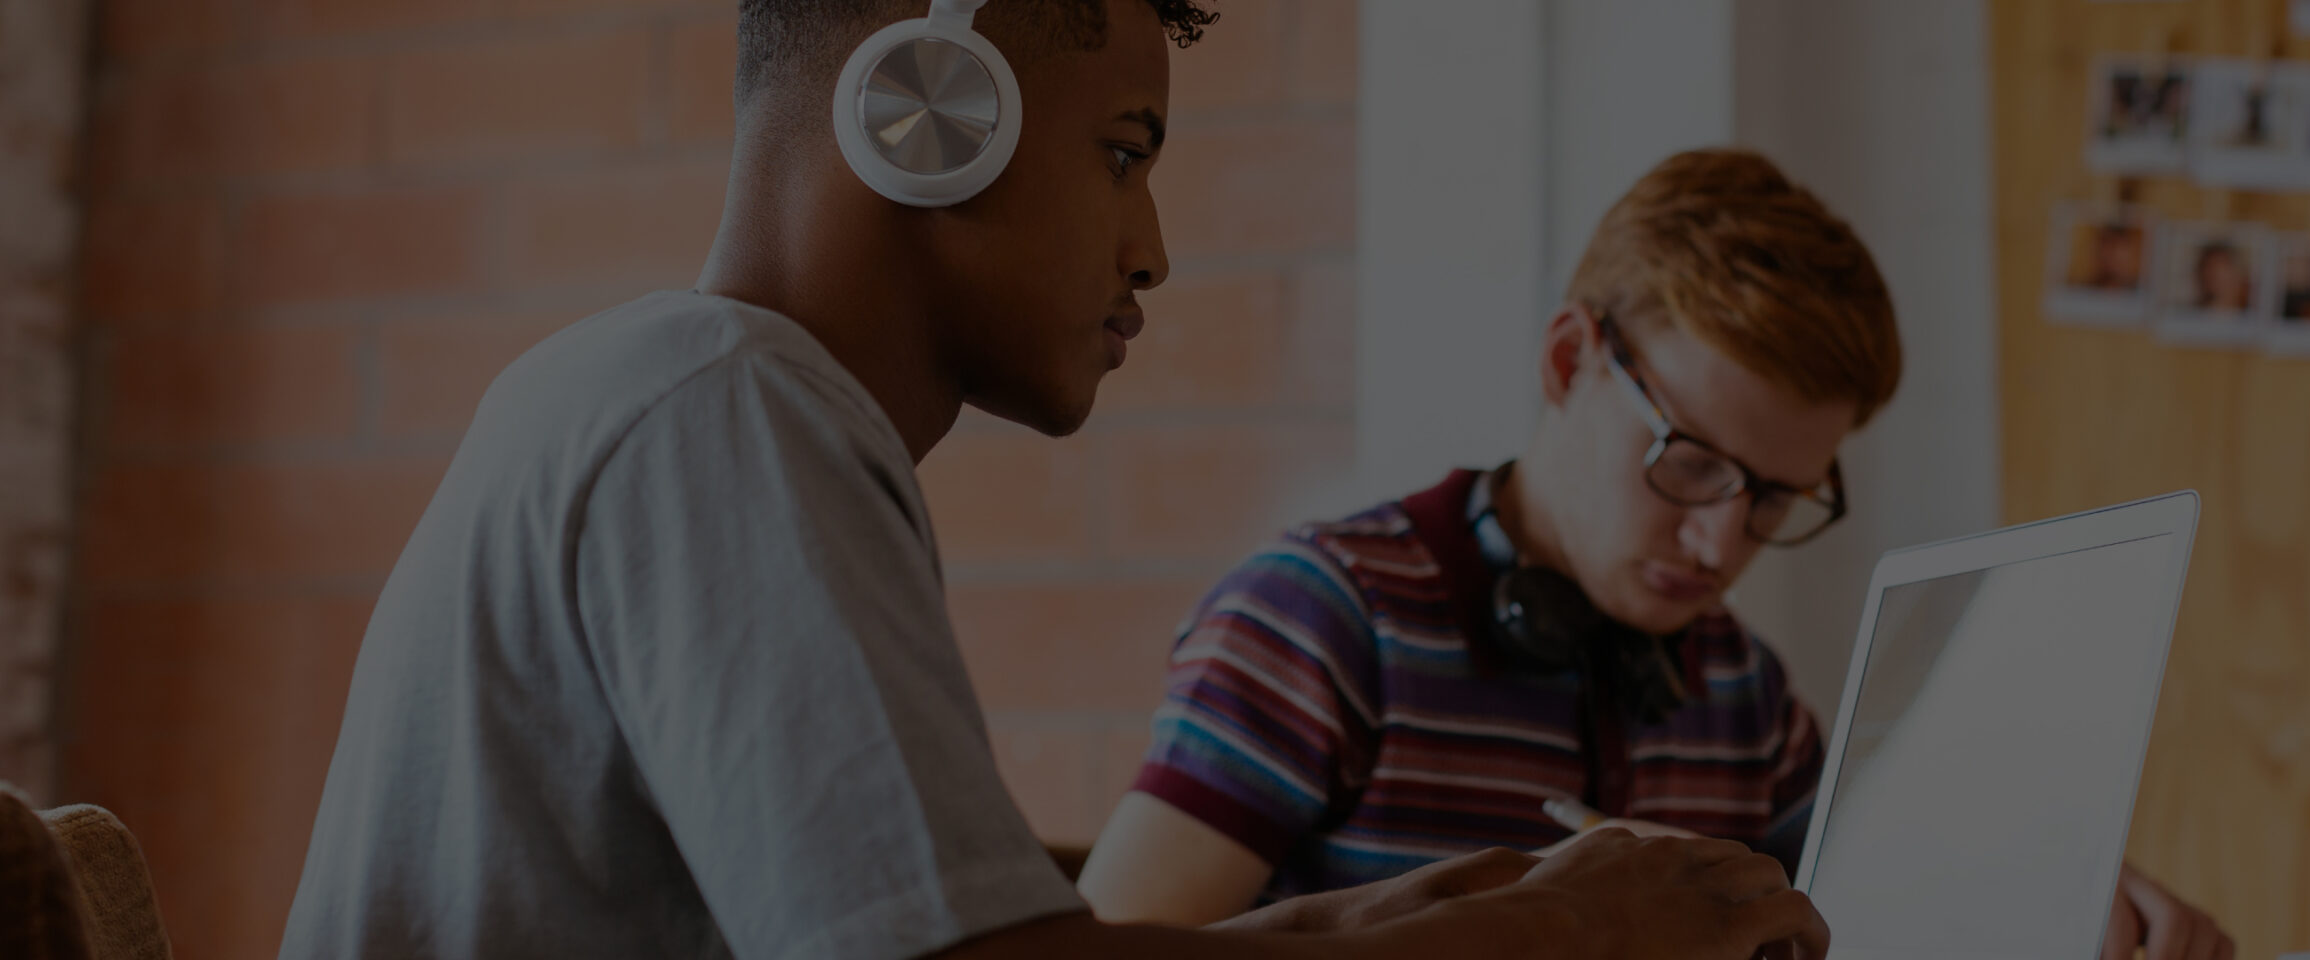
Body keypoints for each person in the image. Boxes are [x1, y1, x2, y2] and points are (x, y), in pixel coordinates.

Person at [273, 3, 1830, 959]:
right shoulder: (725, 411)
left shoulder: (700, 402)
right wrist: (1562, 933)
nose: (1153, 245)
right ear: (924, 108)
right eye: (1125, 151)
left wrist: (1470, 910)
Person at [1075, 149, 2238, 960]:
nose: (1721, 543)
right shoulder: (1320, 619)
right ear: (1568, 359)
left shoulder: (1741, 690)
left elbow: (1873, 919)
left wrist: (2052, 906)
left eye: (1776, 496)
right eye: (1688, 462)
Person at [2193, 240, 2251, 313]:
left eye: (2220, 268)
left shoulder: (2254, 316)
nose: (2212, 274)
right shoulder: (2189, 314)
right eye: (2209, 267)